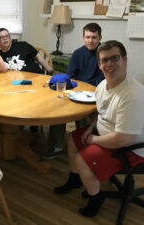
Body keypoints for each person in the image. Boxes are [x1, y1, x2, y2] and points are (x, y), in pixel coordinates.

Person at [54, 40, 144, 217]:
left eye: (114, 58)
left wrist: (93, 140)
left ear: (125, 59)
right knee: (72, 139)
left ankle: (97, 198)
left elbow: (122, 139)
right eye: (104, 60)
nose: (109, 64)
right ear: (99, 64)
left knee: (82, 159)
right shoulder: (103, 85)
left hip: (129, 148)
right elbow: (101, 113)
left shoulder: (133, 95)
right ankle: (74, 180)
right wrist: (89, 130)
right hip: (109, 134)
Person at [42, 23, 105, 159]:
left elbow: (103, 81)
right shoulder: (77, 53)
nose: (91, 40)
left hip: (95, 94)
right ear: (83, 38)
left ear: (100, 38)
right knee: (58, 110)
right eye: (87, 37)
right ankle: (57, 146)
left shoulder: (104, 54)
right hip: (77, 91)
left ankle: (83, 146)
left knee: (84, 115)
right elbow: (70, 75)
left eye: (94, 37)